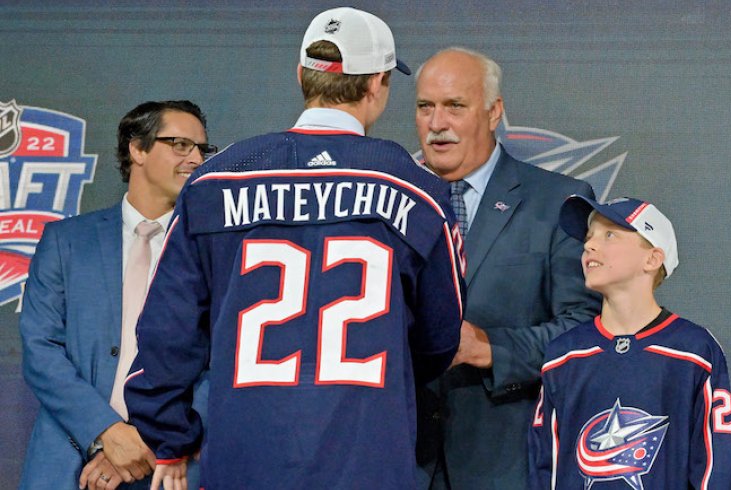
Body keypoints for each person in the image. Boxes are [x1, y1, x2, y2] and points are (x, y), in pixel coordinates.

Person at [124, 7, 465, 490]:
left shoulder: (214, 182)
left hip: (246, 457)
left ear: (301, 76)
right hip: (367, 456)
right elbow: (438, 340)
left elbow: (165, 335)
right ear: (377, 86)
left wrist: (171, 437)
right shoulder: (418, 191)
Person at [414, 47, 601, 489]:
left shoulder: (557, 202)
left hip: (505, 461)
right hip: (400, 457)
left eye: (454, 106)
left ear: (494, 112)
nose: (437, 124)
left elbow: (585, 330)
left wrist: (488, 349)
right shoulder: (390, 203)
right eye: (425, 107)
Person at [18, 100, 214, 490]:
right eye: (180, 145)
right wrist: (107, 431)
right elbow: (41, 349)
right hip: (70, 459)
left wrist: (156, 439)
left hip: (173, 465)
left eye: (201, 149)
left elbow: (223, 357)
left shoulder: (213, 248)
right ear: (137, 149)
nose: (195, 158)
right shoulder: (67, 241)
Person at [528, 196, 731, 489]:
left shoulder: (693, 351)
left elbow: (714, 464)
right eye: (588, 238)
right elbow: (545, 462)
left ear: (652, 259)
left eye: (609, 234)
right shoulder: (564, 354)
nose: (589, 246)